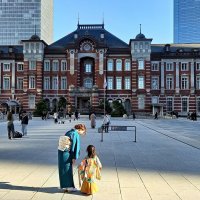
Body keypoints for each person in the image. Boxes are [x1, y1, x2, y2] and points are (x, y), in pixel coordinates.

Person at [58, 124, 87, 192]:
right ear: (81, 129)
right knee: (68, 170)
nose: (82, 134)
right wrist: (74, 157)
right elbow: (75, 147)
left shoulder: (69, 132)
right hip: (68, 154)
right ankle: (70, 187)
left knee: (63, 169)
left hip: (61, 152)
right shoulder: (75, 134)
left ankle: (65, 186)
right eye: (83, 132)